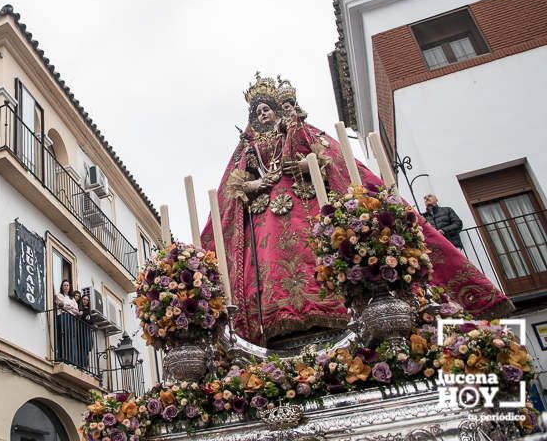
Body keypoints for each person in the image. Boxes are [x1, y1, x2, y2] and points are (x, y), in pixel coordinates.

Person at [200, 74, 512, 346]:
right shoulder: (246, 148)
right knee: (271, 266)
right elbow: (235, 186)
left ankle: (342, 311)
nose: (264, 114)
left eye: (267, 108)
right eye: (258, 111)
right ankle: (273, 322)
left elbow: (326, 161)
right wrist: (259, 183)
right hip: (265, 217)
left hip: (306, 203)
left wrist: (304, 165)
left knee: (318, 251)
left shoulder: (301, 131)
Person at [54, 279, 81, 366]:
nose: (66, 287)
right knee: (65, 337)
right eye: (64, 285)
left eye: (67, 285)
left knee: (71, 339)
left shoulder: (72, 298)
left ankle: (72, 360)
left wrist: (70, 307)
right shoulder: (59, 295)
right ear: (62, 287)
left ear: (70, 287)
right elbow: (62, 306)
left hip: (71, 318)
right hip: (63, 317)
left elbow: (77, 310)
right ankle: (66, 359)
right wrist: (71, 308)